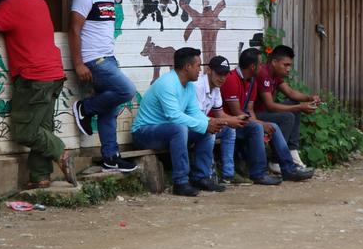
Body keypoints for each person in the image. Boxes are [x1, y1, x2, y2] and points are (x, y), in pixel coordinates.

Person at [0, 0, 75, 189]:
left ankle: (61, 153)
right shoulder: (41, 4)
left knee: (25, 131)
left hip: (33, 77)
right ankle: (40, 177)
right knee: (43, 127)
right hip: (54, 75)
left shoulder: (13, 4)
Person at [131, 48, 244, 196]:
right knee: (180, 128)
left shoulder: (189, 85)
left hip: (166, 131)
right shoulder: (167, 83)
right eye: (198, 66)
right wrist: (205, 124)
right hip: (143, 133)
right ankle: (181, 182)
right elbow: (174, 116)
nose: (200, 70)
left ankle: (201, 177)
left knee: (207, 131)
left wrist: (209, 123)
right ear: (187, 67)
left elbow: (194, 112)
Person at [69, 0, 138, 173]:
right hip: (94, 60)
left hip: (108, 58)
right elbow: (74, 30)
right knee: (127, 90)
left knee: (109, 109)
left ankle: (110, 157)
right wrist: (78, 64)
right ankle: (85, 108)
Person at [220, 47, 313, 184]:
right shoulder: (232, 79)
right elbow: (237, 113)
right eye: (260, 63)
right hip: (230, 122)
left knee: (272, 125)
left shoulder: (251, 81)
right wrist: (261, 124)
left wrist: (261, 123)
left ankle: (289, 169)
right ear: (253, 67)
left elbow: (250, 110)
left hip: (243, 121)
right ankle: (259, 173)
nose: (262, 66)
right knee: (257, 127)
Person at [254, 44, 319, 171]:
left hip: (266, 111)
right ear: (274, 62)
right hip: (256, 115)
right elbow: (270, 106)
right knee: (288, 117)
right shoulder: (264, 74)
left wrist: (309, 98)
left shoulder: (275, 74)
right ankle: (275, 160)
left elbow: (290, 93)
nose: (288, 69)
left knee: (294, 104)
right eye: (286, 65)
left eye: (290, 65)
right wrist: (300, 107)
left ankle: (292, 151)